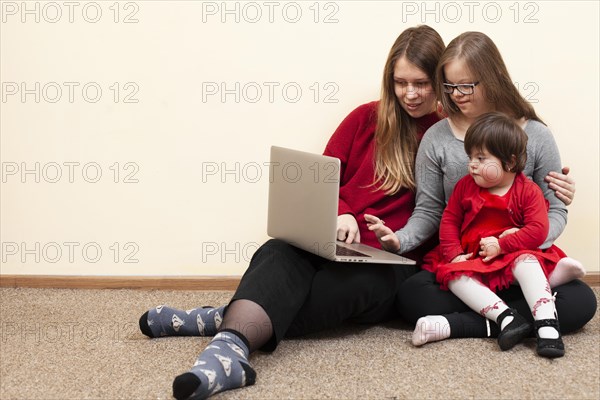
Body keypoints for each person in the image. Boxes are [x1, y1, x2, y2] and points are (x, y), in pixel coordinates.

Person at [139, 25, 446, 400]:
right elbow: (324, 177)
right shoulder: (364, 118)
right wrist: (342, 212)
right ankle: (230, 353)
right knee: (277, 250)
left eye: (421, 83)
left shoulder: (445, 135)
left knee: (358, 284)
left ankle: (223, 320)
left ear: (440, 80)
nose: (410, 94)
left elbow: (443, 212)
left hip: (388, 264)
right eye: (400, 82)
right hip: (334, 244)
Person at [368, 31, 595, 347]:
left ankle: (462, 325)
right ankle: (527, 320)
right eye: (449, 86)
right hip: (467, 261)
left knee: (582, 301)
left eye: (466, 85)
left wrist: (518, 243)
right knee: (412, 297)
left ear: (493, 78)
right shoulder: (436, 138)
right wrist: (399, 240)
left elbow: (554, 209)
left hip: (522, 259)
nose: (456, 94)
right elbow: (431, 211)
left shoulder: (536, 135)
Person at [426, 111, 579, 358]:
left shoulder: (528, 191)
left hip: (512, 253)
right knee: (450, 276)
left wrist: (503, 244)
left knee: (527, 262)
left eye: (480, 157)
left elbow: (537, 230)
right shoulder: (465, 186)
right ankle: (506, 317)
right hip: (476, 258)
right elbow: (449, 220)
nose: (472, 164)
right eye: (470, 157)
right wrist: (454, 254)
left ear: (509, 162)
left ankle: (546, 323)